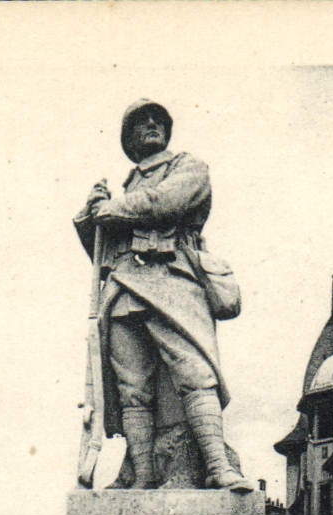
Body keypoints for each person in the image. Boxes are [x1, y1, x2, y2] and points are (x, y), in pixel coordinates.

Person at [73, 99, 252, 492]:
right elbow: (100, 255)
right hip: (123, 290)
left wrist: (113, 209)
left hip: (173, 279)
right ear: (129, 138)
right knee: (131, 390)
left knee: (195, 372)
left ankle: (218, 467)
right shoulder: (121, 191)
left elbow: (166, 202)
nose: (152, 124)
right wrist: (90, 214)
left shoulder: (188, 166)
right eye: (141, 121)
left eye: (158, 120)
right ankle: (143, 474)